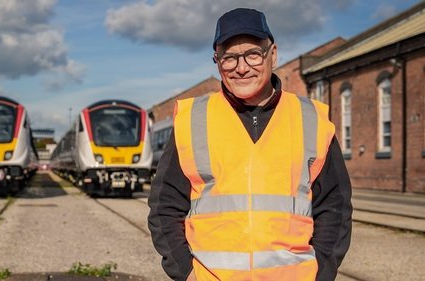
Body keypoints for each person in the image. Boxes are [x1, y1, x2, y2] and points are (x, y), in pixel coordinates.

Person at [148, 7, 352, 281]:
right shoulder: (192, 119)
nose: (241, 67)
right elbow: (164, 206)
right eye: (229, 58)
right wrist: (186, 273)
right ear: (217, 61)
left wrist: (320, 272)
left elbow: (335, 208)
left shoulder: (311, 119)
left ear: (273, 55)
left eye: (253, 54)